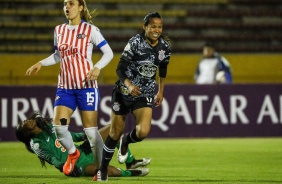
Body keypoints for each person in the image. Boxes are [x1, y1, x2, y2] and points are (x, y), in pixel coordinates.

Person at [25, 0, 113, 177]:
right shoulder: (59, 30)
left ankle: (101, 170)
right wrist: (41, 62)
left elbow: (108, 52)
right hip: (65, 87)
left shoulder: (90, 30)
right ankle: (73, 153)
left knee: (90, 132)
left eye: (71, 3)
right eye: (65, 3)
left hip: (86, 87)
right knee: (59, 128)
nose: (67, 7)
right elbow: (58, 55)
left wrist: (97, 68)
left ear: (81, 7)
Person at [95, 12, 171, 181]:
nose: (156, 30)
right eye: (153, 26)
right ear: (145, 27)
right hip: (123, 92)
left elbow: (163, 70)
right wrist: (129, 86)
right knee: (115, 132)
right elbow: (119, 69)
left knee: (143, 131)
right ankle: (103, 169)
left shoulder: (165, 47)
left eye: (159, 27)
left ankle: (126, 142)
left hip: (144, 94)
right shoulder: (135, 42)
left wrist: (161, 91)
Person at [15, 111, 150, 178]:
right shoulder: (36, 144)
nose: (25, 120)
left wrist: (84, 135)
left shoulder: (48, 127)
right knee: (107, 172)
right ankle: (129, 173)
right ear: (26, 133)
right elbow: (52, 158)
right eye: (22, 124)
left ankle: (130, 162)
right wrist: (64, 167)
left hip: (83, 150)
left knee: (113, 129)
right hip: (78, 165)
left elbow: (71, 136)